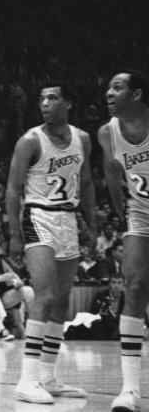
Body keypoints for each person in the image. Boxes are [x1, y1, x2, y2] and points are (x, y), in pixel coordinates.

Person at [7, 82, 95, 403]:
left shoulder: (82, 139)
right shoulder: (30, 140)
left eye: (52, 97)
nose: (45, 103)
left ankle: (48, 376)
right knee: (43, 296)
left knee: (61, 301)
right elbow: (13, 188)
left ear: (68, 103)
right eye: (41, 98)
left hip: (68, 218)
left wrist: (94, 226)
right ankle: (26, 380)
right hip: (38, 217)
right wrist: (15, 233)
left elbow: (85, 184)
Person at [99, 69, 149, 412]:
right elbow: (112, 178)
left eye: (118, 87)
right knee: (133, 287)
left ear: (137, 94)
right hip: (141, 214)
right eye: (108, 87)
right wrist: (126, 213)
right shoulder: (107, 133)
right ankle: (130, 390)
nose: (109, 93)